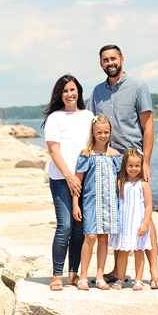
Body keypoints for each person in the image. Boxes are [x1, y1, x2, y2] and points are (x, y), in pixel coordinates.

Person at [88, 44, 158, 289]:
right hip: (107, 159)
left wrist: (146, 162)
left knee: (144, 213)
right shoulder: (97, 92)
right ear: (101, 64)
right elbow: (92, 126)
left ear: (122, 59)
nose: (109, 62)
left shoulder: (138, 87)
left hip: (133, 159)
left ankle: (154, 271)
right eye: (105, 59)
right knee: (117, 213)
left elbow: (149, 127)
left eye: (113, 58)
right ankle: (117, 270)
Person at [43, 74, 94, 291]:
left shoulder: (89, 116)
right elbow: (54, 150)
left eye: (73, 90)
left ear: (79, 92)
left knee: (80, 228)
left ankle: (73, 273)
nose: (69, 94)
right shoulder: (55, 118)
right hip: (61, 179)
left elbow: (96, 144)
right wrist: (69, 177)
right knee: (65, 225)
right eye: (65, 91)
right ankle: (57, 274)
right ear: (59, 94)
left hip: (85, 179)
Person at [73, 114, 121, 290]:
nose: (103, 135)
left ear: (110, 133)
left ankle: (100, 276)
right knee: (90, 236)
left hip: (109, 203)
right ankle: (83, 275)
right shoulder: (86, 155)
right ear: (93, 133)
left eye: (106, 132)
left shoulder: (115, 156)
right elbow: (78, 182)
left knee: (103, 238)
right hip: (91, 202)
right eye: (99, 132)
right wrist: (75, 203)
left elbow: (119, 182)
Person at [109, 148, 153, 290]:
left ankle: (138, 280)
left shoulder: (143, 185)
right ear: (125, 166)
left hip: (138, 224)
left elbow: (149, 206)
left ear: (141, 167)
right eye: (130, 165)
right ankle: (121, 279)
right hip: (124, 224)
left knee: (139, 252)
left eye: (137, 166)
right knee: (123, 252)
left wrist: (145, 224)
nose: (134, 169)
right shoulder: (120, 182)